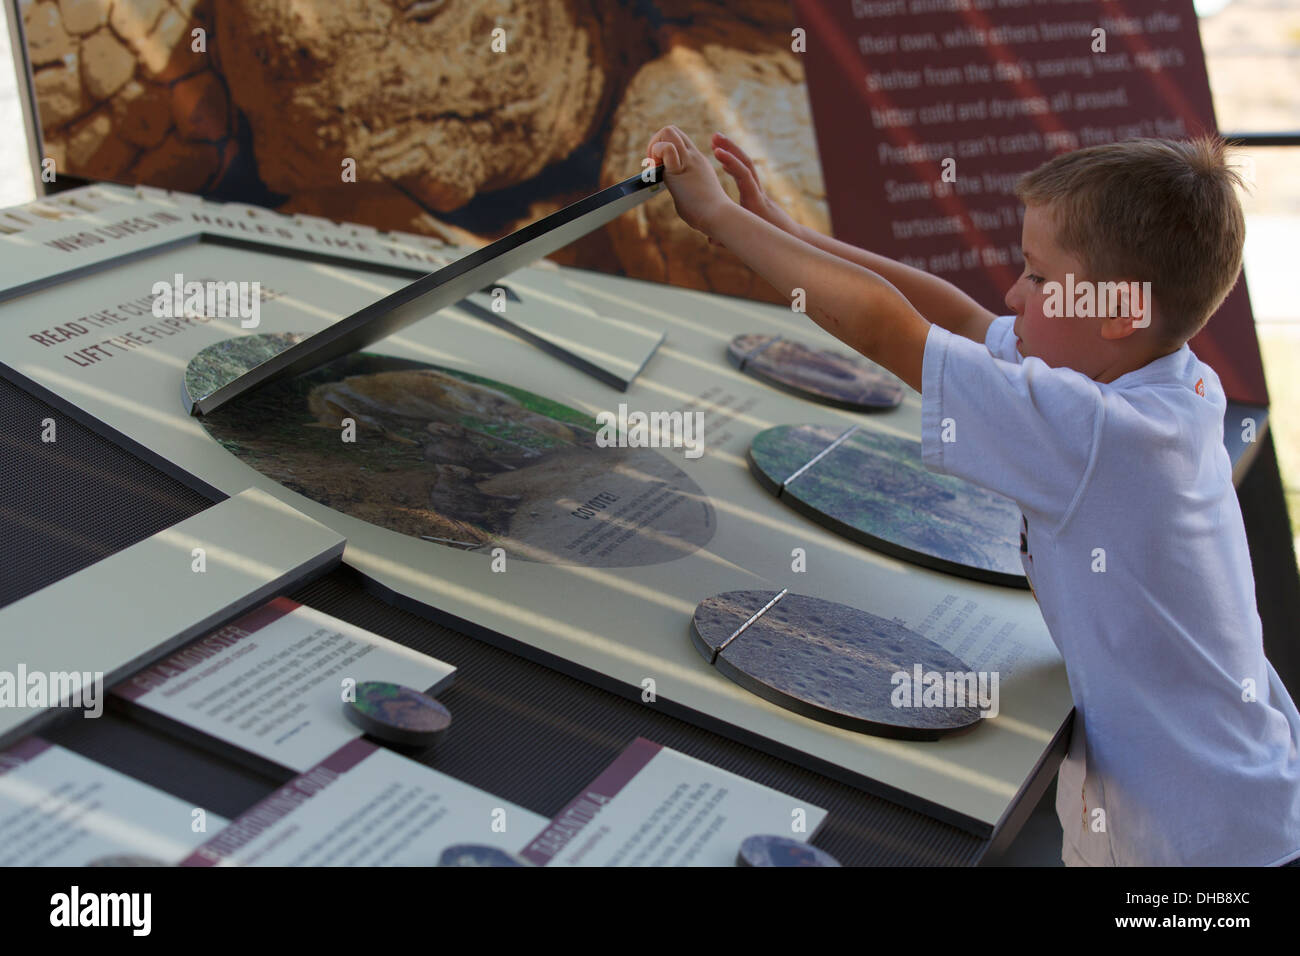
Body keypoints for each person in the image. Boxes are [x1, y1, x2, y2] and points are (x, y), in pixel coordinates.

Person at [645, 125, 1300, 865]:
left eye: (1040, 278)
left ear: (1119, 313)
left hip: (1203, 852)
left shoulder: (1103, 433)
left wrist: (721, 220)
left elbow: (891, 329)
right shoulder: (1161, 378)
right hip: (1232, 807)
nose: (1016, 294)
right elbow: (957, 320)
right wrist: (790, 232)